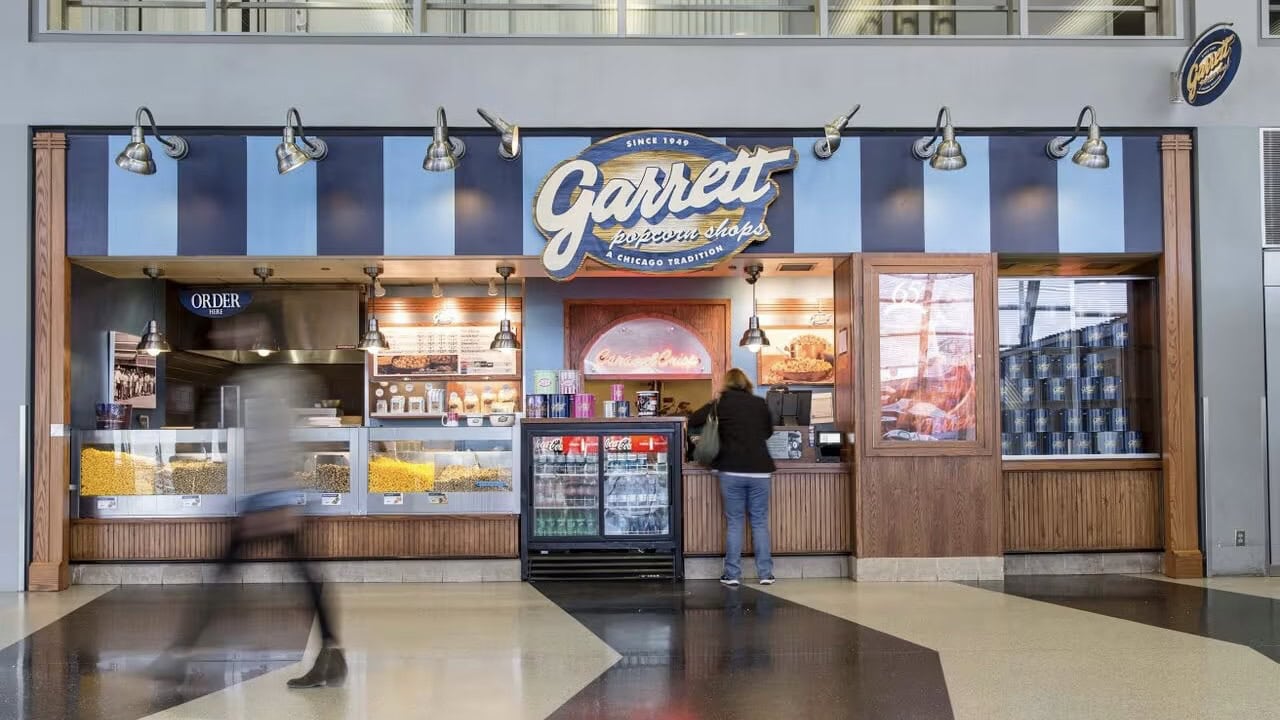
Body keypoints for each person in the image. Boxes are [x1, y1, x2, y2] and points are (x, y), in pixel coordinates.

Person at [153, 363, 345, 689]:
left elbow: (276, 446)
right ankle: (333, 655)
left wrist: (276, 502)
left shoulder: (266, 383)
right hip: (267, 499)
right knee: (301, 575)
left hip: (269, 500)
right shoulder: (264, 380)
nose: (223, 337)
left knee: (229, 575)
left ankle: (179, 655)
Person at [688, 368, 777, 587]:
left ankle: (732, 574)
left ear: (726, 383)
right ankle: (766, 574)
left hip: (731, 470)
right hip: (760, 470)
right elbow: (768, 432)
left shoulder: (720, 404)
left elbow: (694, 419)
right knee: (759, 521)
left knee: (735, 522)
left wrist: (714, 410)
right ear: (746, 383)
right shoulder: (759, 403)